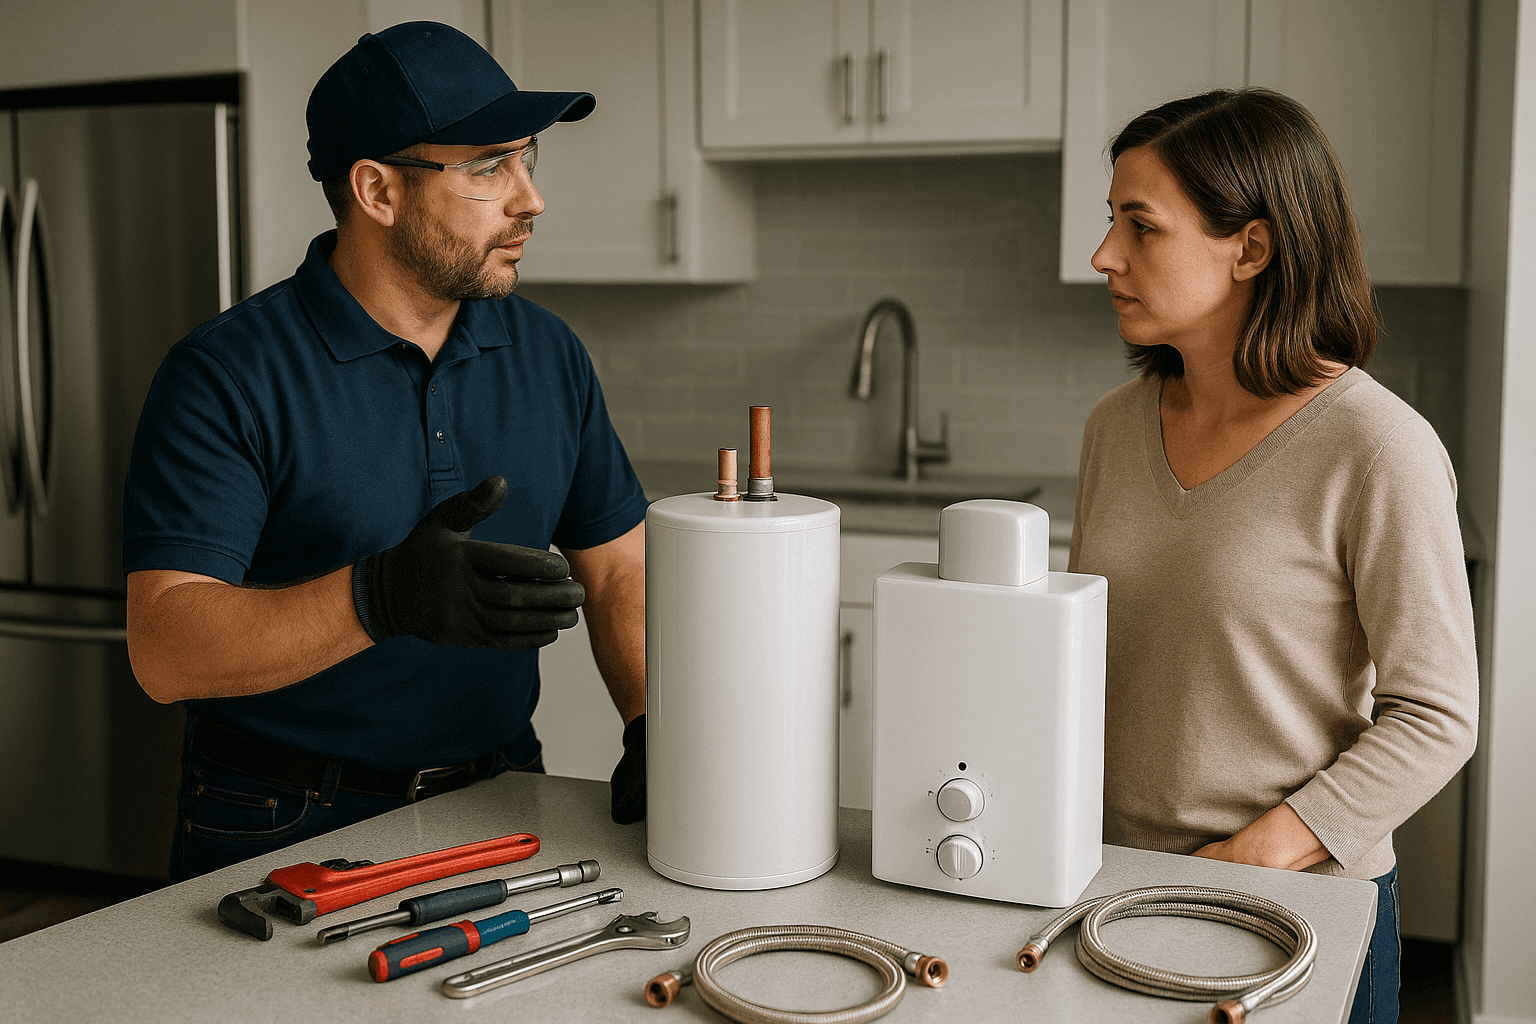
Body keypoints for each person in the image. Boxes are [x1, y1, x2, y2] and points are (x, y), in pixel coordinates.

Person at [123, 21, 650, 881]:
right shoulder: (226, 374)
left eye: (527, 159)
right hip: (280, 820)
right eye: (488, 168)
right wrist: (379, 596)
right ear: (376, 190)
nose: (530, 199)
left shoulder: (548, 352)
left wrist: (650, 722)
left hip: (505, 798)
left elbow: (619, 567)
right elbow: (165, 649)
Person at [1071, 88, 1477, 1024]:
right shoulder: (1112, 427)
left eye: (1142, 227)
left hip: (1297, 903)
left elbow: (1438, 716)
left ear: (1250, 248)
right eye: (1111, 221)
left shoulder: (1378, 446)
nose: (1106, 257)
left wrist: (1247, 860)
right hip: (1115, 885)